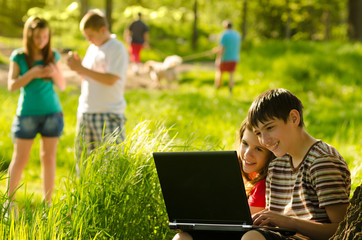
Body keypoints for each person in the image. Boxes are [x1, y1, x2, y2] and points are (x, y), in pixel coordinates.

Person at [241, 88, 351, 240]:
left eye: (270, 128)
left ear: (293, 118)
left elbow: (343, 229)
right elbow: (275, 225)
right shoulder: (277, 164)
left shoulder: (322, 163)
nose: (264, 141)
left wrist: (290, 223)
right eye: (259, 133)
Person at [172, 119, 275, 240]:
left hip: (244, 234)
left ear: (271, 154)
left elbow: (239, 219)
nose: (247, 154)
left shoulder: (265, 184)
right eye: (245, 143)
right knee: (181, 237)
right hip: (223, 232)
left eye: (259, 149)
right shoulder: (240, 175)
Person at [7, 16, 66, 205]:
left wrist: (53, 73)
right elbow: (12, 86)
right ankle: (9, 202)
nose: (42, 41)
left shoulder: (53, 56)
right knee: (20, 158)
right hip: (27, 114)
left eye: (45, 37)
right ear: (29, 35)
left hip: (52, 113)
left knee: (48, 158)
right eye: (37, 37)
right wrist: (32, 73)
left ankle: (47, 203)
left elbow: (63, 85)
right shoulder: (18, 56)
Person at [67, 10, 128, 170]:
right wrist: (77, 68)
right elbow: (89, 78)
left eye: (90, 35)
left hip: (108, 113)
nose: (88, 40)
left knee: (111, 167)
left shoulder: (116, 48)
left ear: (102, 30)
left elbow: (111, 79)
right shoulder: (92, 49)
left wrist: (82, 68)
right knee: (84, 164)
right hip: (86, 112)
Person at [213, 20, 241, 93]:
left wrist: (216, 52)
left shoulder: (224, 34)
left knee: (219, 72)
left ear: (225, 26)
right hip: (234, 58)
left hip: (225, 58)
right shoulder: (237, 35)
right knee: (231, 74)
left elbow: (221, 48)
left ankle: (217, 88)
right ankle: (230, 90)